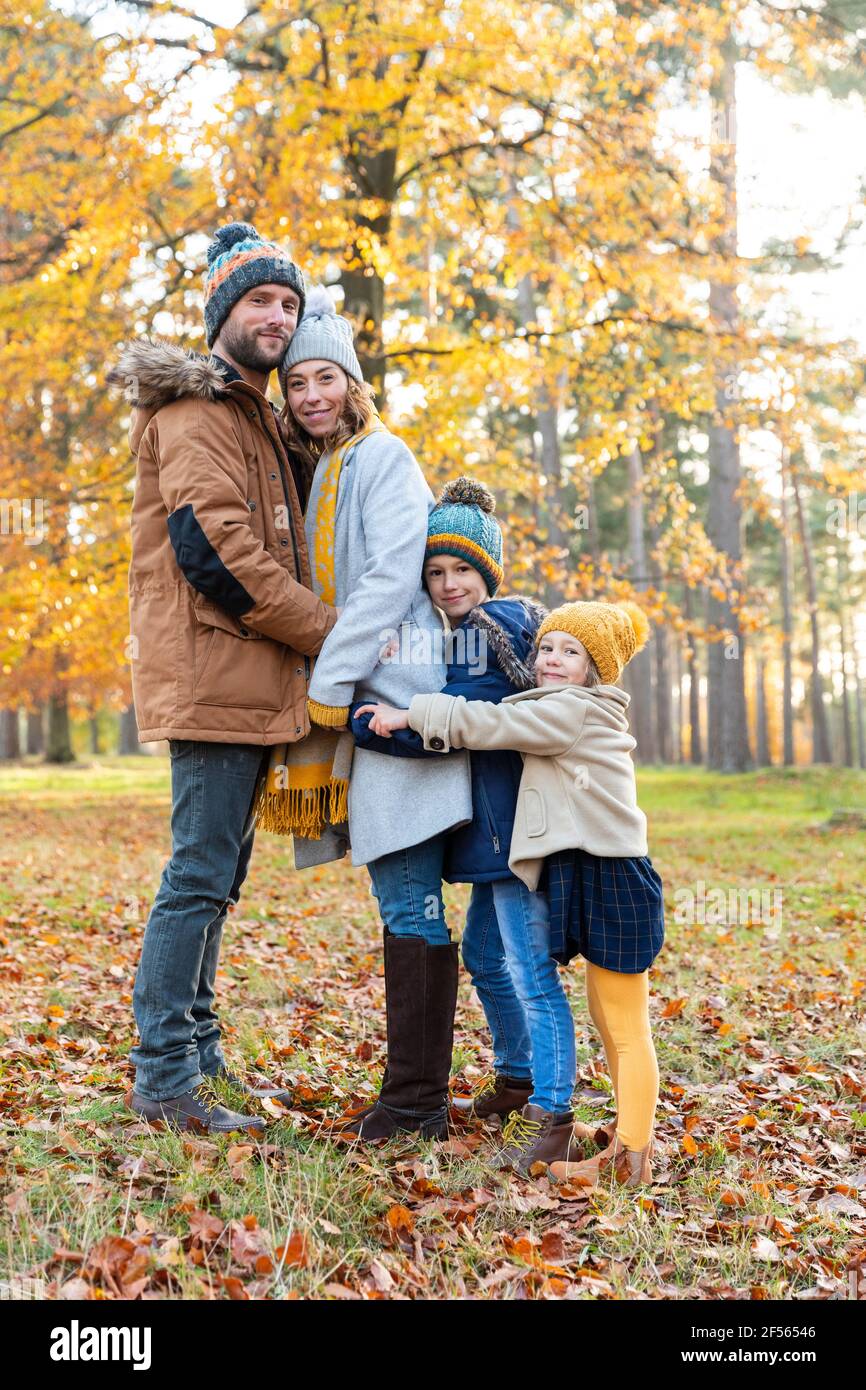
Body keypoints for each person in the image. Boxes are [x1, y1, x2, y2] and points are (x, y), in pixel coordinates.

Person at [109, 222, 338, 1134]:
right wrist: (329, 634)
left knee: (220, 874)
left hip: (244, 679)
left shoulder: (259, 419)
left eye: (289, 303)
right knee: (198, 873)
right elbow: (218, 553)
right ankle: (164, 1078)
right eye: (259, 302)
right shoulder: (197, 414)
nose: (277, 317)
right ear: (222, 316)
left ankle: (199, 1056)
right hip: (214, 675)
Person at [360, 600, 665, 1186]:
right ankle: (624, 1142)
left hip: (615, 879)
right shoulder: (563, 705)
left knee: (625, 1027)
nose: (552, 659)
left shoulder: (573, 710)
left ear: (594, 669)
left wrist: (407, 715)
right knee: (607, 1018)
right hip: (591, 872)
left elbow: (492, 722)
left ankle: (633, 1157)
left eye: (571, 653)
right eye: (547, 647)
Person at [263, 287, 472, 1141]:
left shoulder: (383, 458)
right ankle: (416, 1093)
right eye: (296, 385)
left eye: (325, 379)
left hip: (395, 697)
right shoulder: (328, 470)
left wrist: (332, 685)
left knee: (410, 894)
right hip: (368, 699)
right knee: (403, 893)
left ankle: (418, 1102)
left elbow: (389, 579)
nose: (310, 395)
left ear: (353, 385)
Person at [354, 479, 584, 1175]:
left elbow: (460, 718)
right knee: (487, 955)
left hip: (518, 833)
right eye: (436, 572)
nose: (449, 584)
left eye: (462, 570)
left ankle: (551, 1108)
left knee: (528, 968)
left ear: (487, 572)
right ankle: (516, 1078)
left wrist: (375, 728)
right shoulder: (479, 631)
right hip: (496, 838)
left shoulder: (493, 633)